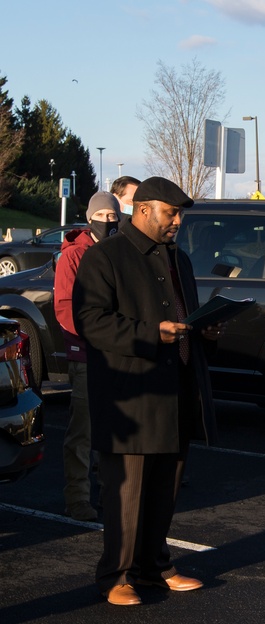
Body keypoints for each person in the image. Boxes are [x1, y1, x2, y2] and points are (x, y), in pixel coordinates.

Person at [73, 176, 220, 606]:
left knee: (164, 488)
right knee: (125, 492)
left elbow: (185, 318)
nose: (177, 222)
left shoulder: (181, 260)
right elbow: (91, 321)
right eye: (170, 213)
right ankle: (116, 576)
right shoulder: (106, 257)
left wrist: (207, 331)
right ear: (142, 210)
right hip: (130, 396)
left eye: (179, 215)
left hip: (176, 390)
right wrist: (151, 334)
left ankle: (154, 567)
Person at [54, 191, 119, 522]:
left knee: (111, 431)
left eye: (113, 215)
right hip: (85, 355)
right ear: (91, 216)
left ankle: (109, 494)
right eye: (103, 214)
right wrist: (94, 336)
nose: (109, 221)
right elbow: (65, 308)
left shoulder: (119, 253)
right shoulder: (74, 256)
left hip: (115, 356)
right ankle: (77, 497)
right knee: (82, 430)